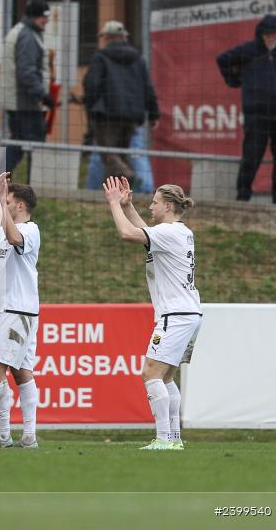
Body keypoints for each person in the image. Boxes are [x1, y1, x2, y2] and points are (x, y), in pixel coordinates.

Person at [103, 177, 200, 450]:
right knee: (166, 377)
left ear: (168, 206)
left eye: (154, 203)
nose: (151, 207)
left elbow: (128, 233)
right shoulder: (179, 232)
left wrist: (114, 204)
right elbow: (147, 233)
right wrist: (128, 206)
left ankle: (163, 439)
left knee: (150, 373)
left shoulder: (168, 233)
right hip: (189, 313)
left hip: (176, 315)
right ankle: (174, 439)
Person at [0, 181, 42, 449]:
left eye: (7, 203)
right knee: (21, 372)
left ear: (20, 206)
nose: (3, 206)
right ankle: (29, 436)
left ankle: (4, 434)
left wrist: (0, 200)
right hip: (20, 311)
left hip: (17, 311)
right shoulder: (6, 233)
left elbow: (14, 238)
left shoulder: (30, 230)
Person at [217, 14, 276, 204]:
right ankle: (243, 196)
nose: (270, 37)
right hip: (257, 116)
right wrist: (234, 81)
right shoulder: (248, 50)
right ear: (261, 34)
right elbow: (222, 60)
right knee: (251, 157)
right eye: (267, 33)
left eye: (273, 33)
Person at [82, 20, 159, 182]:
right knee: (121, 153)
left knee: (108, 153)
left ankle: (127, 173)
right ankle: (118, 191)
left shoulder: (100, 57)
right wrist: (153, 114)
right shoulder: (138, 59)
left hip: (107, 115)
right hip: (132, 116)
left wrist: (90, 107)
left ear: (107, 37)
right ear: (124, 37)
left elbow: (92, 85)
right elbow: (148, 87)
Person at [0, 0, 54, 177]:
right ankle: (32, 184)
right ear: (34, 16)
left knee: (17, 144)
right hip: (25, 103)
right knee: (33, 147)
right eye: (44, 17)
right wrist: (43, 95)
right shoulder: (28, 36)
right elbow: (27, 72)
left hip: (20, 101)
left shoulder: (23, 31)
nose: (47, 20)